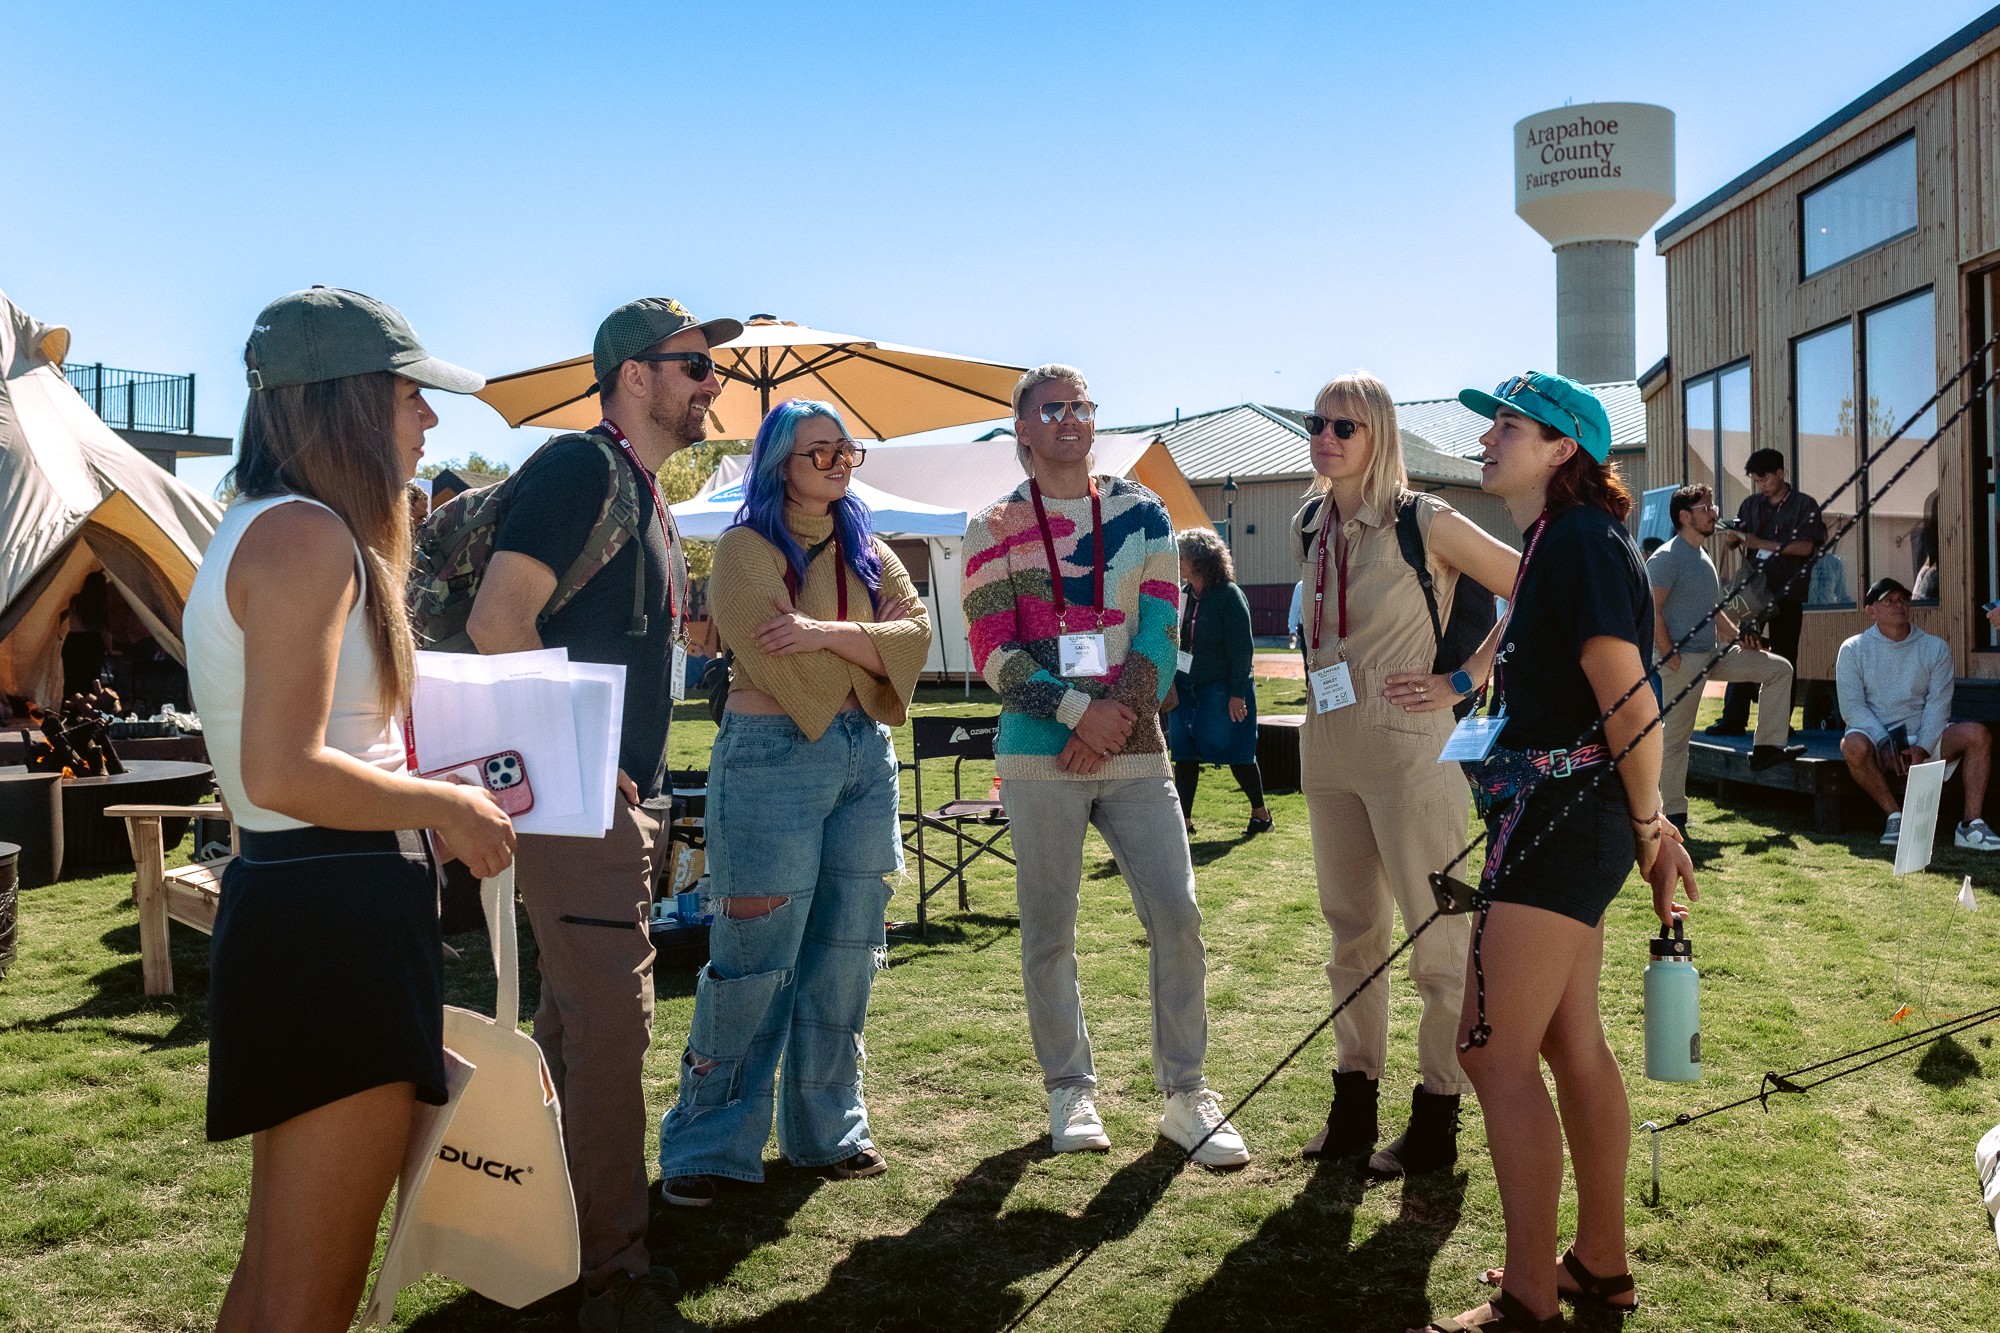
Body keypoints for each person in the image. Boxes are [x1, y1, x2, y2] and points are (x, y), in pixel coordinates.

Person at [187, 288, 516, 1331]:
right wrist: (448, 811)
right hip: (333, 910)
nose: (428, 421)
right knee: (311, 1293)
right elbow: (285, 767)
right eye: (411, 396)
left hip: (302, 900)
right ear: (346, 403)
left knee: (282, 1275)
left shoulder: (270, 526)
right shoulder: (307, 538)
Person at [467, 295, 740, 1329]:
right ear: (636, 374)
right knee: (614, 1029)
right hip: (573, 796)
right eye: (696, 367)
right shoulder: (578, 468)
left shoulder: (642, 491)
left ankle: (535, 1241)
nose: (714, 384)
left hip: (604, 793)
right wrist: (579, 753)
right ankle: (612, 1274)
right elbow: (499, 618)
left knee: (573, 1027)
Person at [1414, 372, 1697, 1333]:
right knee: (1572, 1044)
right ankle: (1598, 1267)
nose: (1487, 440)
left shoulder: (1576, 541)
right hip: (1568, 818)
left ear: (1563, 448)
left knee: (1489, 1054)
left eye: (1506, 425)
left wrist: (1654, 829)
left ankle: (1529, 1298)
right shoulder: (1558, 541)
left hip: (1564, 822)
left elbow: (1630, 700)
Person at [963, 363, 1250, 1166]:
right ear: (1021, 428)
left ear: (1094, 420)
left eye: (1080, 406)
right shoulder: (992, 526)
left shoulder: (1142, 510)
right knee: (1050, 931)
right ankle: (1069, 1089)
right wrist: (1075, 713)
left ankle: (1186, 1095)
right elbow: (994, 649)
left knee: (1178, 916)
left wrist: (1112, 717)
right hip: (1037, 754)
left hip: (1135, 751)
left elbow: (1163, 628)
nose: (1067, 419)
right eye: (1049, 409)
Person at [658, 399, 931, 1204]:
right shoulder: (744, 547)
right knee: (753, 958)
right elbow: (776, 655)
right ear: (780, 462)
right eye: (821, 451)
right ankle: (707, 1146)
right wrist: (859, 648)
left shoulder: (874, 552)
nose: (841, 462)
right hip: (775, 756)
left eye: (848, 449)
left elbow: (918, 640)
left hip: (864, 762)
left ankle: (828, 1132)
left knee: (847, 954)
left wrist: (819, 631)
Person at [1289, 371, 1522, 1179]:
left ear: (1378, 435)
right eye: (1316, 422)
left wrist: (1466, 678)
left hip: (1410, 747)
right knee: (1351, 934)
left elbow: (1533, 582)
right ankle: (1353, 1107)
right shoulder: (1311, 519)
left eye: (1343, 427)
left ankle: (1436, 1119)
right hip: (1326, 748)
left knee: (1438, 940)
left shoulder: (1428, 518)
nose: (1325, 436)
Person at [1650, 482, 1804, 832]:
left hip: (1712, 652)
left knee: (1780, 669)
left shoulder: (1703, 558)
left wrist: (1739, 638)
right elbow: (1653, 610)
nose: (1714, 512)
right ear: (1685, 516)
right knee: (1676, 739)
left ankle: (1767, 747)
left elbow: (1713, 611)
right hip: (1682, 660)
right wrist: (1670, 654)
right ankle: (1671, 814)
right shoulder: (1667, 557)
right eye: (1706, 507)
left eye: (1713, 505)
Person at [1835, 578, 2000, 851]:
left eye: (1903, 599)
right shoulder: (1853, 649)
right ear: (1871, 610)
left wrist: (1922, 746)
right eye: (1888, 600)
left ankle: (1971, 824)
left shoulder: (1934, 648)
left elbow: (1939, 704)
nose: (1898, 605)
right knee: (1850, 745)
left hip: (1925, 737)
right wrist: (1883, 742)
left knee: (1978, 734)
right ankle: (1895, 816)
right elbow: (1852, 708)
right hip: (1878, 739)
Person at [1707, 447, 1825, 738]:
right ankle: (1733, 720)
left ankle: (1777, 725)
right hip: (1754, 591)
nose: (1760, 485)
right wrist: (1734, 537)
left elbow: (1807, 547)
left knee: (1784, 657)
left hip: (1789, 590)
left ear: (1780, 473)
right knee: (1743, 649)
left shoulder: (1804, 506)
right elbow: (1738, 542)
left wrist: (1762, 544)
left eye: (1764, 479)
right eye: (1756, 480)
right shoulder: (1750, 504)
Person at [1170, 527, 1273, 836]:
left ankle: (1260, 813)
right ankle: (1183, 822)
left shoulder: (1229, 595)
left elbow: (1242, 648)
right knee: (1184, 755)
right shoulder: (1184, 595)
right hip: (1186, 690)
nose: (1176, 560)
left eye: (1182, 555)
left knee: (1236, 753)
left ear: (1199, 559)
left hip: (1221, 690)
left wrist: (1238, 692)